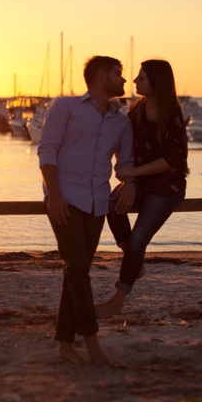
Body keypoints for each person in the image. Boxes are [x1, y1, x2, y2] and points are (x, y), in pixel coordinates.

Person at [37, 55, 135, 366]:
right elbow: (47, 149)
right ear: (102, 75)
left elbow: (125, 163)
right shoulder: (66, 107)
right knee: (78, 267)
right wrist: (54, 195)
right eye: (119, 74)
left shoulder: (122, 121)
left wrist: (130, 183)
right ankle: (92, 342)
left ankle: (64, 344)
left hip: (97, 203)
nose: (124, 80)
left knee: (77, 270)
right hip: (64, 198)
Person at [96, 59, 188, 318]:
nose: (135, 81)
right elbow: (126, 143)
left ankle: (117, 299)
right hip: (142, 184)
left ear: (156, 83)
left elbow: (171, 160)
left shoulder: (172, 115)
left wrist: (132, 174)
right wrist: (130, 182)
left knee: (138, 240)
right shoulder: (137, 109)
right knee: (111, 205)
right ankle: (133, 259)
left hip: (167, 188)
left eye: (141, 77)